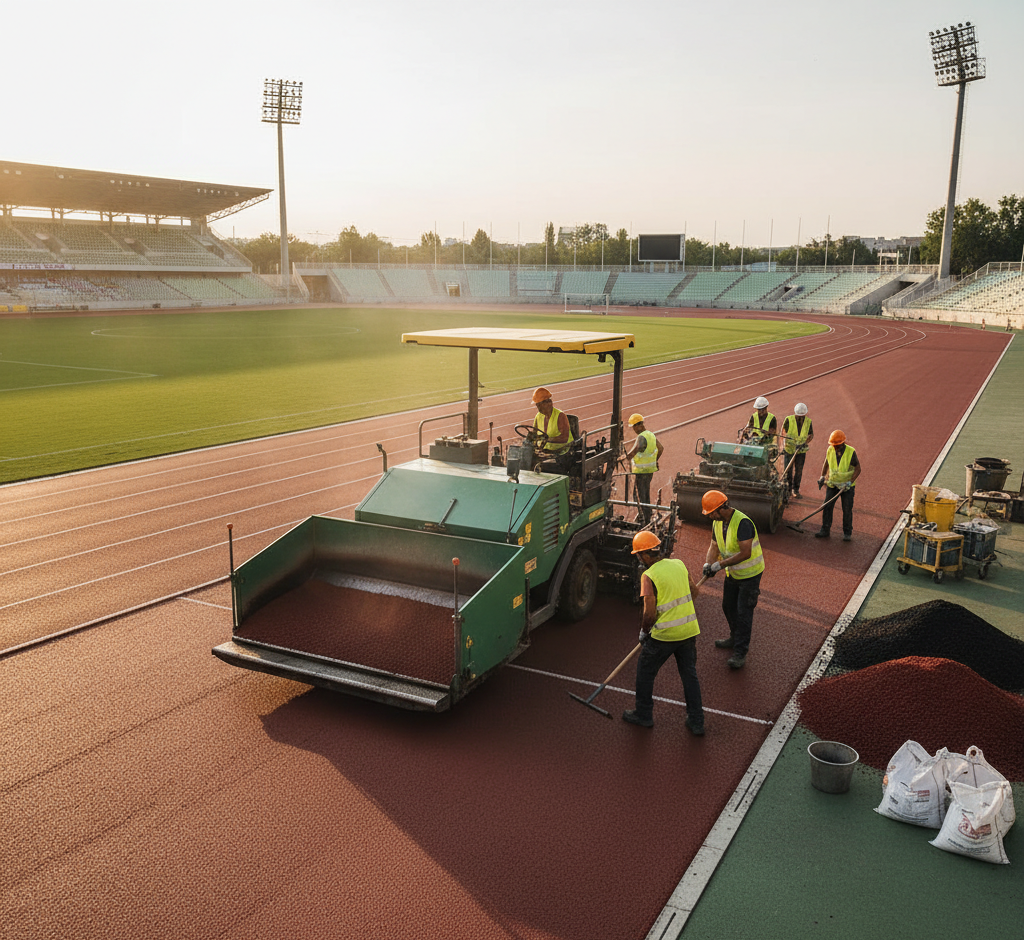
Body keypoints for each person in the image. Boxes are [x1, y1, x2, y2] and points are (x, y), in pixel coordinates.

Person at [622, 531, 705, 736]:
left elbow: (649, 613)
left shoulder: (648, 576)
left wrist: (644, 631)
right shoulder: (679, 564)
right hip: (688, 631)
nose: (639, 560)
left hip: (664, 636)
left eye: (639, 555)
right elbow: (695, 592)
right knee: (689, 676)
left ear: (644, 555)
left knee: (645, 672)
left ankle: (644, 715)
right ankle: (696, 721)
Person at [701, 489, 764, 669]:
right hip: (733, 573)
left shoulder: (743, 523)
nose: (710, 517)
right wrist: (708, 564)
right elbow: (714, 546)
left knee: (744, 612)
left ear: (721, 508)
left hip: (750, 575)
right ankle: (734, 637)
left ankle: (740, 652)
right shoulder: (717, 523)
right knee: (728, 606)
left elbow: (745, 553)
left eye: (711, 513)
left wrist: (720, 565)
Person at [815, 430, 861, 541]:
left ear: (842, 443)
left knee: (847, 509)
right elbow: (826, 463)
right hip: (833, 484)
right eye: (833, 445)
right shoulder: (830, 449)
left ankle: (847, 532)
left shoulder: (851, 452)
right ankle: (825, 530)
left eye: (837, 446)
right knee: (827, 506)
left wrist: (850, 481)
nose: (835, 447)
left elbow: (858, 469)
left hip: (846, 487)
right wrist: (822, 476)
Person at [624, 413, 664, 525]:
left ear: (638, 425)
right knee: (645, 493)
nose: (634, 429)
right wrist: (654, 460)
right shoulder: (650, 435)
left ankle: (645, 519)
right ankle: (648, 513)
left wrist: (626, 457)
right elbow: (660, 448)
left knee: (638, 495)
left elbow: (636, 450)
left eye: (633, 427)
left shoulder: (641, 437)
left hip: (641, 472)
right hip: (650, 470)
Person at [530, 386, 574, 473]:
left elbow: (564, 438)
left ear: (549, 403)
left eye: (539, 404)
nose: (537, 407)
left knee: (544, 467)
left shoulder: (560, 416)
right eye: (537, 405)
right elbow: (534, 434)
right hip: (545, 452)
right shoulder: (538, 416)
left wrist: (547, 439)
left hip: (562, 453)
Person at [781, 403, 814, 498]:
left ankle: (796, 490)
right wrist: (783, 446)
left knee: (799, 471)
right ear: (795, 414)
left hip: (801, 450)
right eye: (798, 416)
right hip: (789, 449)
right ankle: (787, 490)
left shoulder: (808, 422)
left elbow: (810, 435)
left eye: (802, 416)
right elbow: (783, 433)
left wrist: (805, 442)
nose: (800, 418)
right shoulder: (788, 420)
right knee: (788, 471)